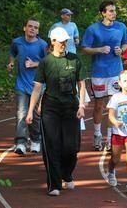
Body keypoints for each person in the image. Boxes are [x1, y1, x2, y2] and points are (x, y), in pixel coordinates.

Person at [25, 27, 87, 196]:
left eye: (65, 41)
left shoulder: (75, 59)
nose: (63, 44)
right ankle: (54, 183)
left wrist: (81, 105)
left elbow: (81, 84)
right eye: (60, 41)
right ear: (52, 41)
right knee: (52, 145)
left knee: (71, 147)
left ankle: (66, 172)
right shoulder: (45, 62)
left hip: (71, 108)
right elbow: (37, 87)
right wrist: (30, 110)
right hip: (50, 108)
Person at [81, 0, 127, 151]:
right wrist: (99, 50)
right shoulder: (93, 29)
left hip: (115, 72)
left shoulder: (121, 27)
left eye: (114, 10)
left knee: (113, 106)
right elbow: (84, 49)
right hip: (99, 73)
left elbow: (126, 43)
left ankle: (110, 138)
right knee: (99, 106)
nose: (113, 13)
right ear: (103, 13)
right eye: (110, 11)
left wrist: (121, 51)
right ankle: (97, 135)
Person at [7, 18, 48, 155]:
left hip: (37, 85)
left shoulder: (42, 45)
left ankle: (36, 140)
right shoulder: (17, 42)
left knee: (35, 115)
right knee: (21, 114)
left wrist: (34, 64)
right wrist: (11, 63)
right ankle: (20, 143)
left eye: (36, 28)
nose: (33, 29)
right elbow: (12, 53)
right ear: (24, 28)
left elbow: (48, 62)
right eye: (30, 26)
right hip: (21, 84)